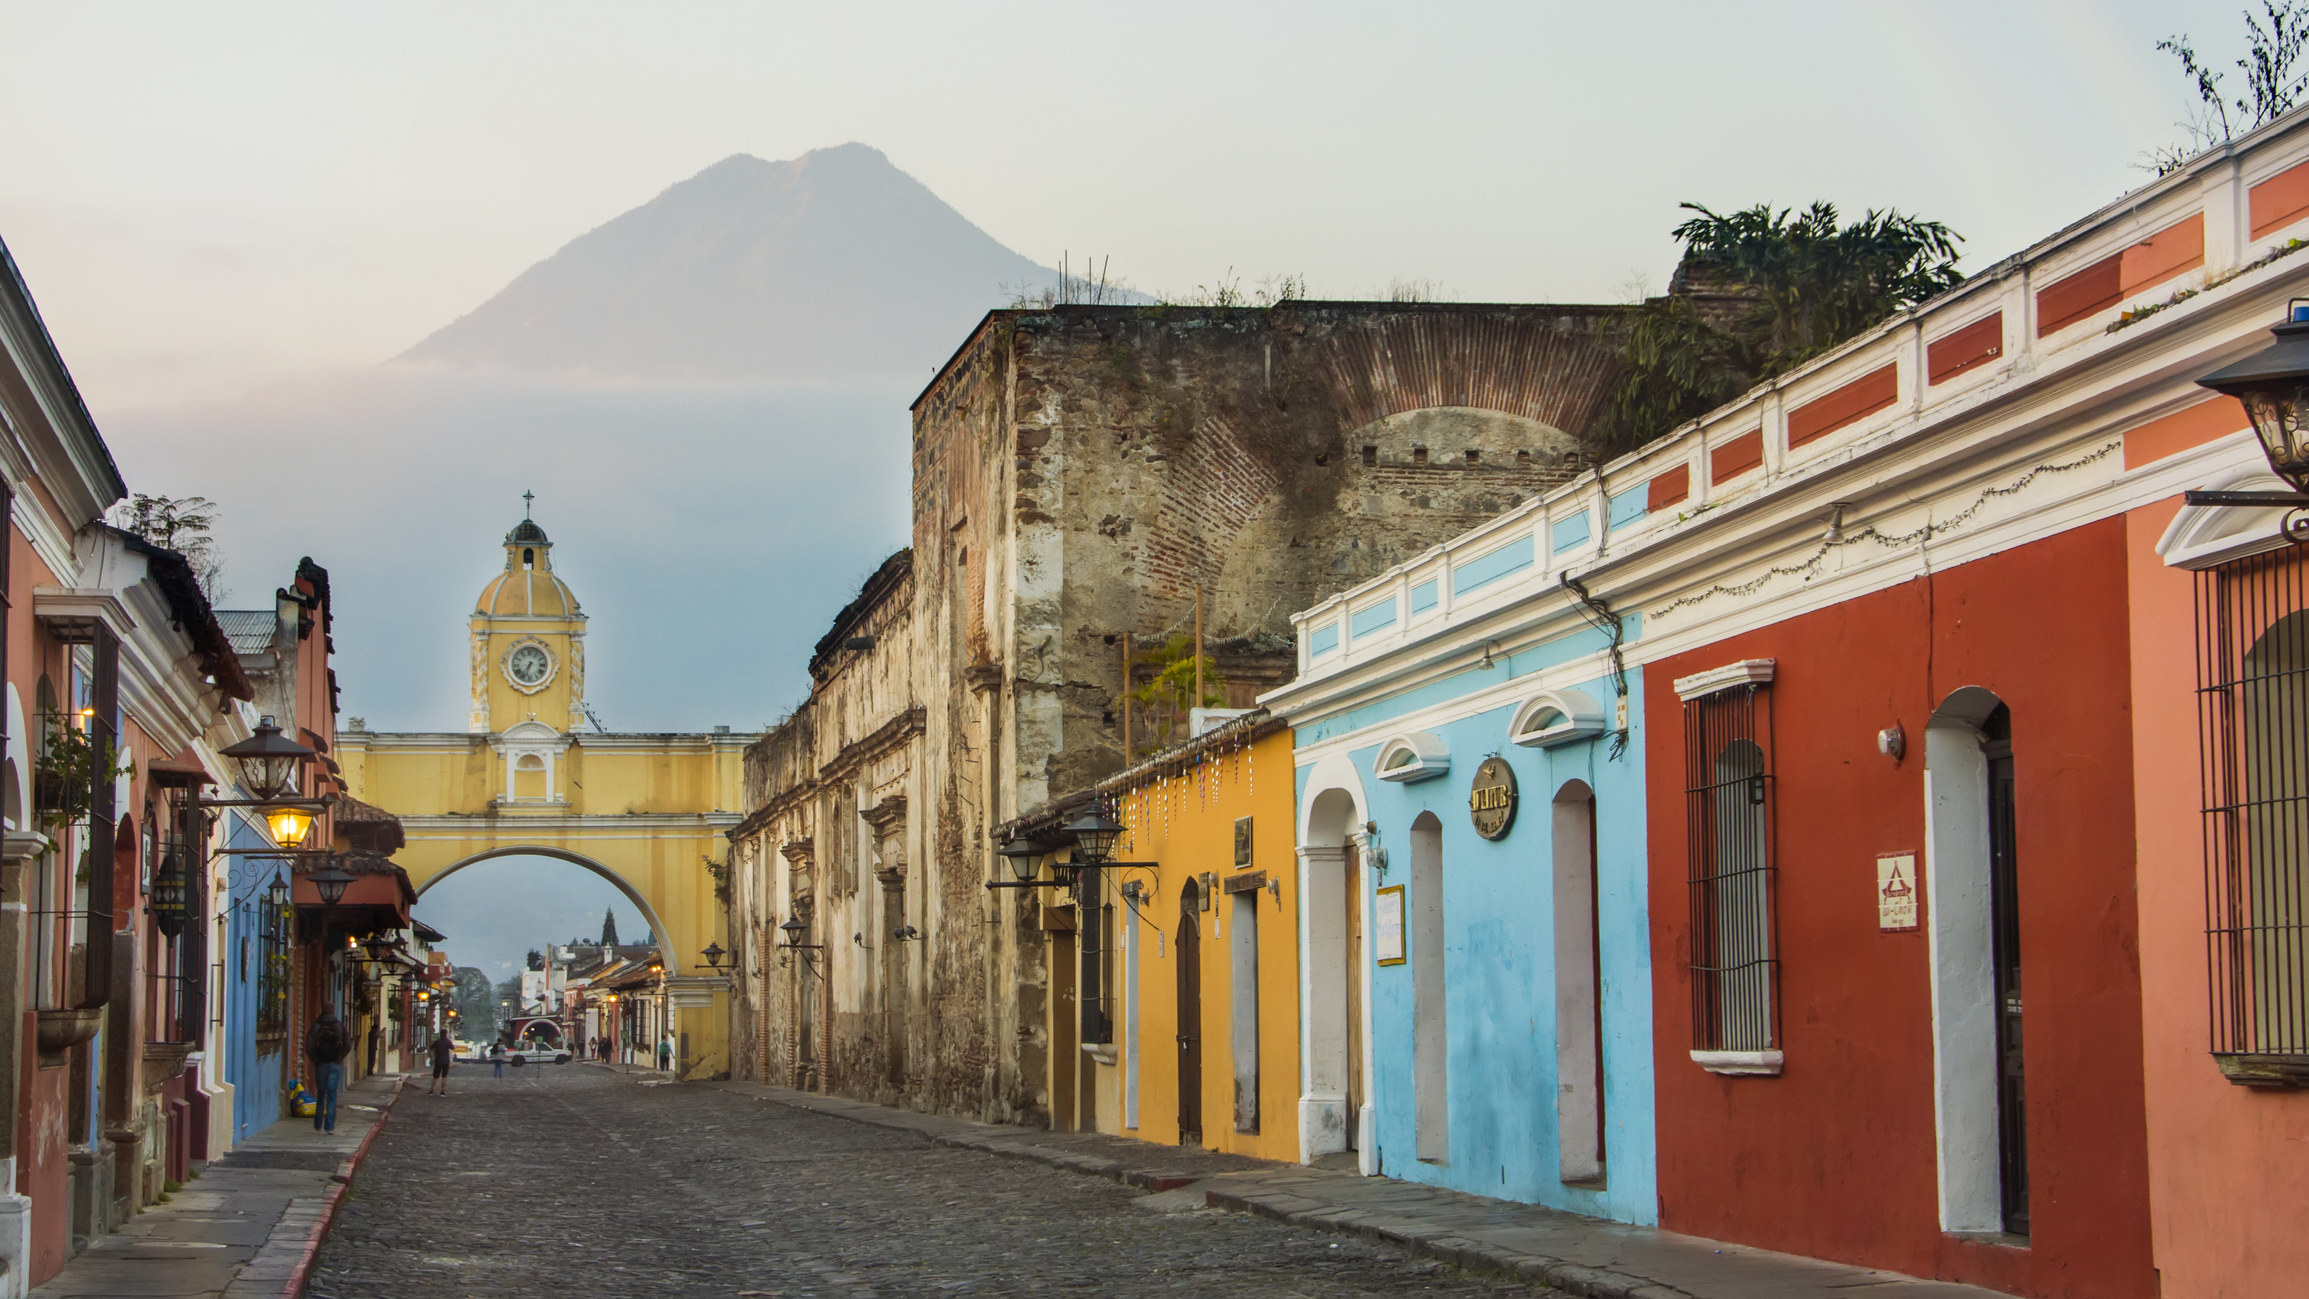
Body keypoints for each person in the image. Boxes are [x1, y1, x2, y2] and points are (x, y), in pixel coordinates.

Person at [303, 1008, 351, 1133]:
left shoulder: (316, 1026)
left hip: (321, 1064)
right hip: (335, 1064)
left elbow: (308, 1046)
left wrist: (315, 1059)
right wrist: (340, 1058)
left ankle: (318, 1124)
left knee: (320, 1094)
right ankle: (329, 1127)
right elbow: (348, 1045)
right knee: (332, 1095)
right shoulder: (339, 1026)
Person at [427, 1027, 454, 1095]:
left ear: (440, 1034)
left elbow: (431, 1047)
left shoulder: (437, 1041)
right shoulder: (448, 1041)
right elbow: (452, 1047)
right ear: (446, 1034)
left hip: (438, 1060)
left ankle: (431, 1090)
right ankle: (442, 1091)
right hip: (446, 1061)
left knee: (435, 1076)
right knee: (444, 1076)